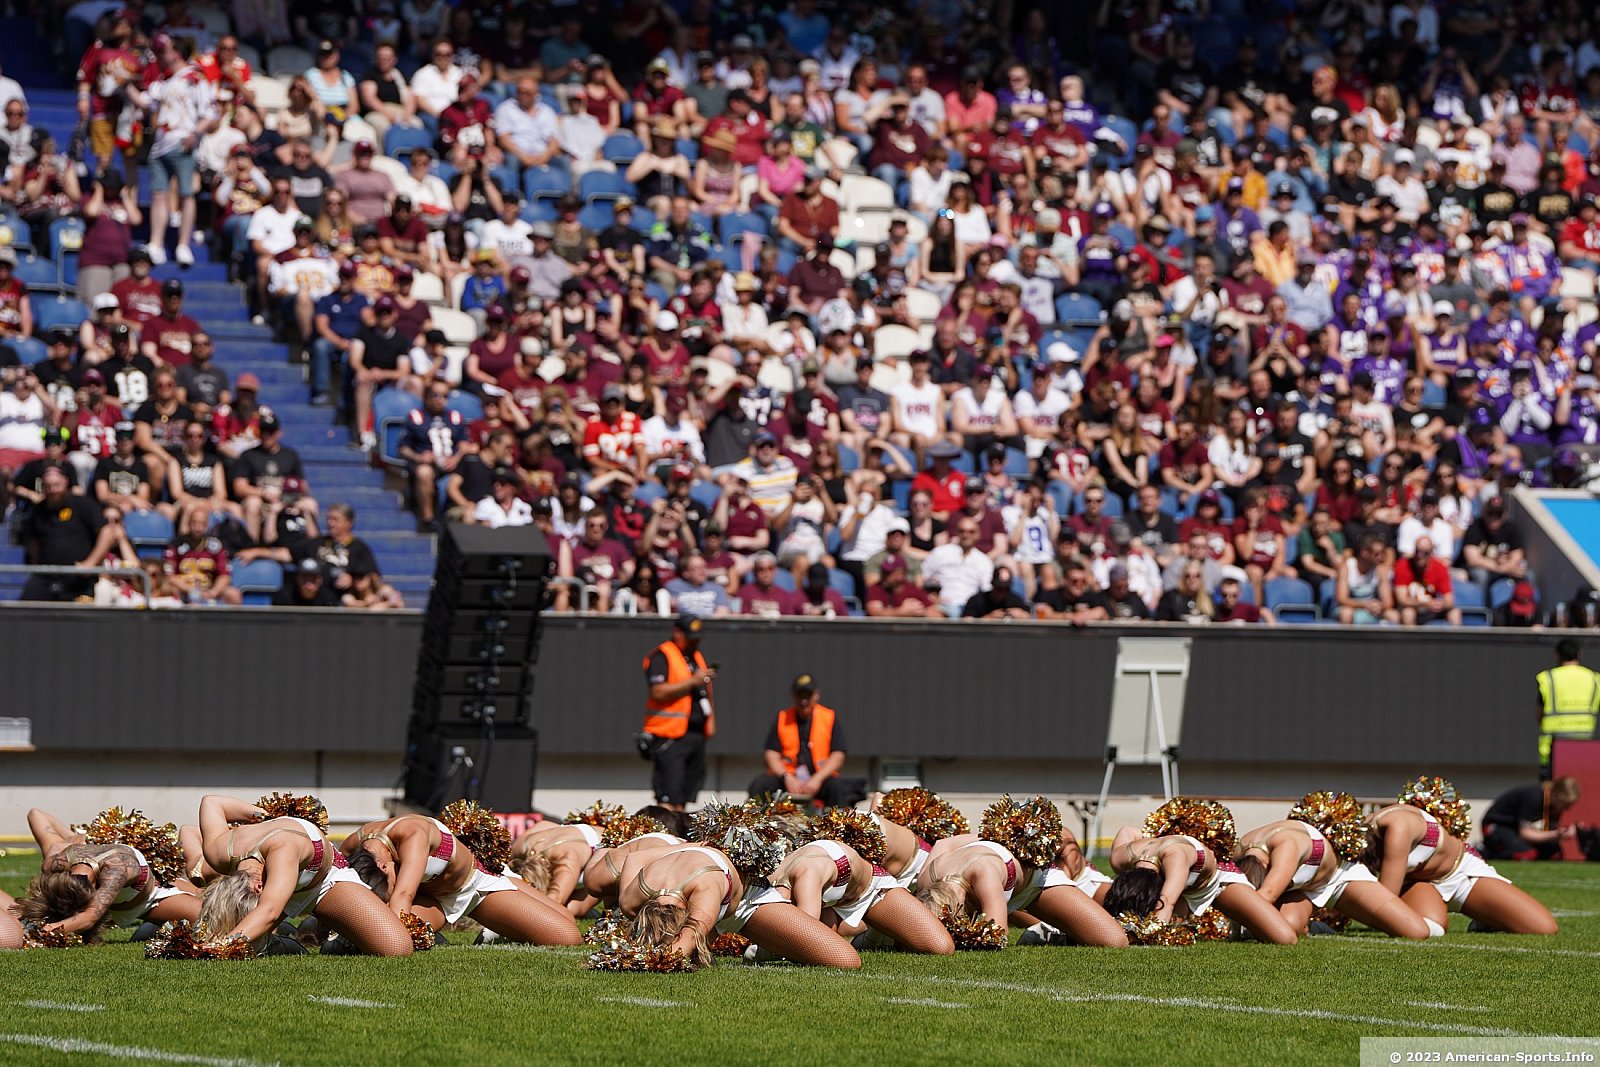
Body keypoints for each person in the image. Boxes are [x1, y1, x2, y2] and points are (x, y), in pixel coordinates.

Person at [191, 794, 412, 956]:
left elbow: (269, 911)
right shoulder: (218, 852)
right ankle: (277, 944)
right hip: (279, 882)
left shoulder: (284, 848)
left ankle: (331, 934)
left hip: (322, 883)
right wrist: (265, 817)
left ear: (259, 888)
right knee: (244, 940)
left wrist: (222, 947)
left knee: (396, 947)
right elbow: (211, 802)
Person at [342, 813, 581, 944]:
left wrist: (389, 932)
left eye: (389, 886)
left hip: (476, 886)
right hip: (433, 902)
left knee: (567, 935)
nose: (391, 891)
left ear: (383, 866)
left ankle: (499, 930)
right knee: (377, 931)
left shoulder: (411, 832)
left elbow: (402, 895)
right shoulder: (354, 844)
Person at [1369, 778, 1558, 935]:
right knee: (1431, 928)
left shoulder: (1396, 827)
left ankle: (1486, 917)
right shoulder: (1367, 835)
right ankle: (1476, 912)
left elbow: (1385, 899)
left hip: (1460, 872)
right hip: (1419, 883)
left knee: (1544, 928)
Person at [19, 807, 201, 938]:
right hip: (123, 889)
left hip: (149, 901)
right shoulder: (57, 860)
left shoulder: (115, 869)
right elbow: (35, 814)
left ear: (94, 887)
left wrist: (42, 932)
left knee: (206, 920)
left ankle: (156, 926)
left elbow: (89, 918)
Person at [746, 674, 861, 807]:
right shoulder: (783, 717)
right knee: (760, 784)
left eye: (808, 696)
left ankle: (836, 820)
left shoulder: (829, 717)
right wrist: (787, 777)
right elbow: (771, 754)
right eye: (800, 695)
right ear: (793, 696)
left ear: (816, 695)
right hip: (788, 778)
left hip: (819, 778)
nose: (804, 701)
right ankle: (757, 818)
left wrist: (817, 779)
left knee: (837, 787)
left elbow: (838, 755)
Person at [641, 614, 717, 811]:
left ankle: (680, 829)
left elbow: (703, 693)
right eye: (691, 637)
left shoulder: (696, 656)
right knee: (669, 796)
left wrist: (710, 720)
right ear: (677, 633)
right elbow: (658, 692)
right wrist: (692, 681)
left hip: (696, 734)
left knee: (684, 797)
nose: (695, 642)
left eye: (697, 638)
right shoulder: (662, 656)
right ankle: (666, 829)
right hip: (670, 736)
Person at [1535, 639, 1600, 779]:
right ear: (1579, 654)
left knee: (1551, 789)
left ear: (1557, 655)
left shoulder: (1547, 678)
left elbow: (1539, 713)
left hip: (1552, 747)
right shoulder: (1595, 679)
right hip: (1585, 745)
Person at [1480, 778, 1583, 862]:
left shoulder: (1553, 806)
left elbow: (1550, 830)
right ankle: (1485, 851)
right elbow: (1525, 833)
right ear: (1557, 795)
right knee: (1525, 854)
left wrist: (1562, 833)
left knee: (1554, 853)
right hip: (1497, 825)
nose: (1567, 808)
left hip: (1515, 829)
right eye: (1566, 804)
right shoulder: (1535, 797)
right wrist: (1554, 834)